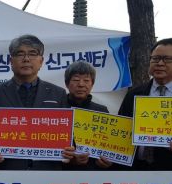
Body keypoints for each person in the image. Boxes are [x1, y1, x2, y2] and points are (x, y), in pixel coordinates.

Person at [0, 34, 75, 170]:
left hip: (47, 171)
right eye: (20, 54)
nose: (26, 59)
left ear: (41, 61)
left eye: (32, 54)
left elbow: (68, 134)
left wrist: (70, 149)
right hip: (7, 170)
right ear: (11, 61)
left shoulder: (58, 94)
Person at [118, 37, 172, 170]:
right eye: (155, 58)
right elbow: (120, 131)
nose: (160, 63)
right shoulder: (134, 94)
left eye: (167, 59)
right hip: (137, 169)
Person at [63, 61, 112, 170]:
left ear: (92, 84)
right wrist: (71, 160)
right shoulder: (58, 109)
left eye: (86, 80)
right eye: (76, 80)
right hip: (61, 174)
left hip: (93, 174)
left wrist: (105, 162)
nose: (81, 84)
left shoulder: (101, 111)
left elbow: (107, 147)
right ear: (67, 83)